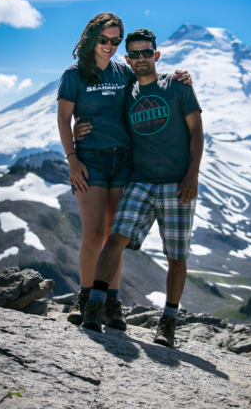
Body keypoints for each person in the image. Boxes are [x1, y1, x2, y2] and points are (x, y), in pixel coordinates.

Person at [57, 13, 192, 330]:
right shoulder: (74, 74)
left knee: (113, 236)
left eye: (116, 40)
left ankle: (110, 303)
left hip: (125, 160)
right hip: (90, 160)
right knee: (92, 234)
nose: (110, 46)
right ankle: (85, 296)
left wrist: (181, 77)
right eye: (104, 39)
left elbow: (151, 84)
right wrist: (72, 158)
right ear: (92, 38)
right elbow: (64, 120)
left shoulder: (124, 72)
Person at [80, 28, 204, 349]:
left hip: (178, 185)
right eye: (133, 53)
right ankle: (95, 304)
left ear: (156, 56)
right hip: (141, 180)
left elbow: (197, 131)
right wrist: (76, 125)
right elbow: (101, 110)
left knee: (176, 256)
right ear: (128, 57)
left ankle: (169, 322)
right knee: (116, 238)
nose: (140, 58)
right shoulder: (127, 91)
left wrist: (192, 174)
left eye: (146, 52)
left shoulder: (177, 86)